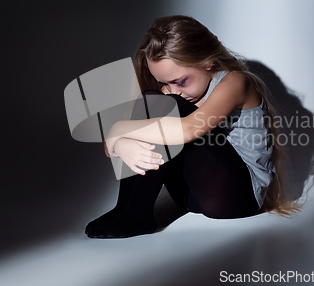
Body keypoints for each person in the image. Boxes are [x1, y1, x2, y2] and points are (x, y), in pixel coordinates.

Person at [85, 15, 298, 239]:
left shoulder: (236, 82)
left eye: (179, 81)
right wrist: (122, 143)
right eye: (165, 82)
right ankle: (127, 209)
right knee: (152, 99)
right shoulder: (174, 92)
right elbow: (112, 148)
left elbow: (189, 129)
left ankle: (135, 216)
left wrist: (118, 129)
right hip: (191, 195)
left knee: (171, 107)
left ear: (207, 62)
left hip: (236, 197)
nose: (173, 89)